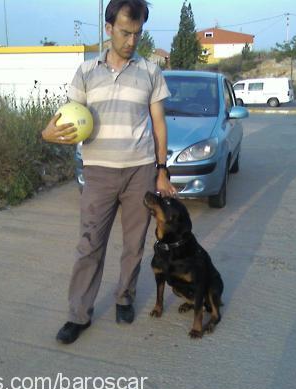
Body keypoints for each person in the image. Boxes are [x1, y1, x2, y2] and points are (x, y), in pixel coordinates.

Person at [41, 0, 177, 344]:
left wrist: (162, 171)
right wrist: (46, 132)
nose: (131, 41)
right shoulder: (86, 72)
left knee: (134, 245)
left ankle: (124, 298)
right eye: (124, 32)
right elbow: (67, 115)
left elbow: (159, 125)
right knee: (89, 246)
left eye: (137, 33)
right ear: (108, 29)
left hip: (140, 171)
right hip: (98, 172)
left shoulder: (150, 71)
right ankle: (78, 315)